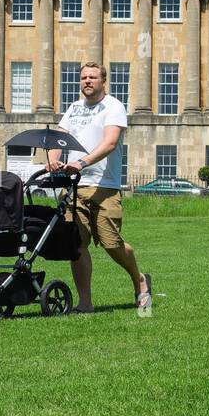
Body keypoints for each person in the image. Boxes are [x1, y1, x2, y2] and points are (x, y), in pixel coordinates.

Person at [47, 63, 152, 311]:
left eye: (92, 77)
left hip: (104, 186)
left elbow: (110, 143)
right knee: (76, 245)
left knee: (111, 243)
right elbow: (59, 138)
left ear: (103, 80)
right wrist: (52, 159)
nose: (87, 81)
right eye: (83, 77)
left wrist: (81, 162)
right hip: (74, 187)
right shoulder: (73, 108)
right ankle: (85, 303)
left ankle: (140, 280)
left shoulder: (113, 106)